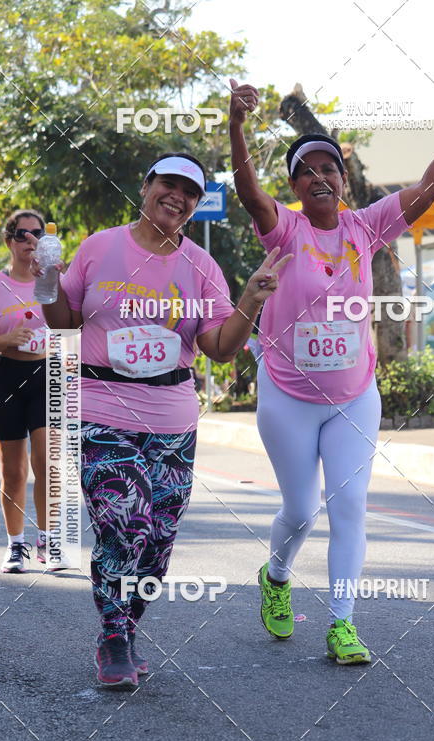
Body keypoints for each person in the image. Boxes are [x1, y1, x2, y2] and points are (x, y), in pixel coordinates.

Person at [229, 79, 434, 664]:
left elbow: (427, 187)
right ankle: (277, 575)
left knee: (349, 507)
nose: (321, 176)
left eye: (330, 168)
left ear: (343, 181)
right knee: (300, 510)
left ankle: (342, 623)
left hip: (354, 396)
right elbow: (248, 190)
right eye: (308, 170)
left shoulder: (365, 228)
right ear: (295, 186)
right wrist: (237, 126)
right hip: (288, 395)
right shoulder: (284, 228)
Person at [38, 151, 291, 688]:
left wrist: (250, 300)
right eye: (168, 185)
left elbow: (220, 348)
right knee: (124, 521)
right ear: (146, 185)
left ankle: (126, 629)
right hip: (103, 406)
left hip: (172, 418)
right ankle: (111, 635)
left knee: (157, 539)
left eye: (190, 192)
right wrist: (47, 283)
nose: (177, 196)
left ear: (196, 205)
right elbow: (64, 322)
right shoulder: (100, 248)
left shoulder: (201, 266)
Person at [0, 210, 51, 573]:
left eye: (37, 233)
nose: (30, 240)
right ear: (9, 241)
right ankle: (15, 545)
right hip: (6, 375)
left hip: (47, 375)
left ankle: (48, 541)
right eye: (21, 234)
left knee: (47, 463)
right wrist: (6, 339)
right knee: (14, 469)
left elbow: (80, 321)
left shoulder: (55, 280)